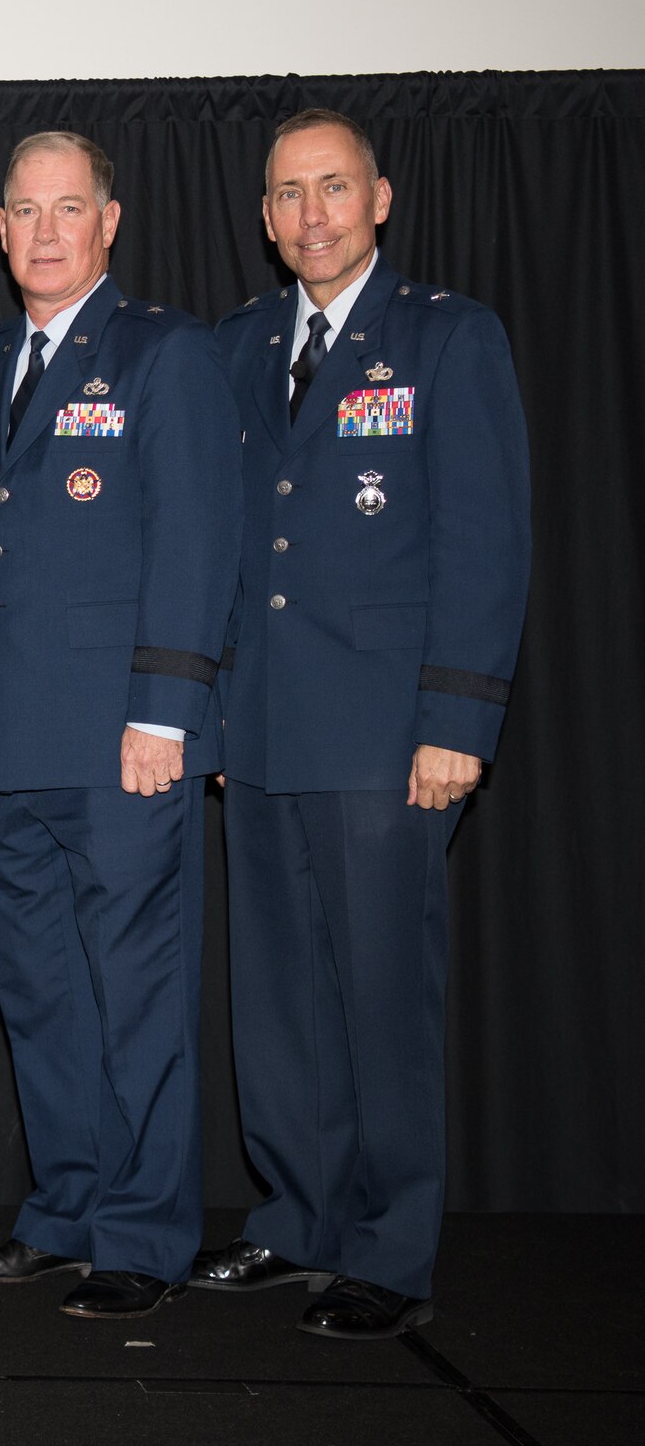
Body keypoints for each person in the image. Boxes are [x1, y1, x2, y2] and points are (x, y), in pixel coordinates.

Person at [195, 109, 530, 1340]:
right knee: (277, 994)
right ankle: (295, 1215)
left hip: (390, 733)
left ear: (377, 199)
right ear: (267, 216)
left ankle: (389, 1246)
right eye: (287, 194)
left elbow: (484, 545)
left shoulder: (445, 337)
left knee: (383, 994)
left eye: (332, 188)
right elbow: (221, 543)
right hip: (264, 724)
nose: (311, 214)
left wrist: (456, 717)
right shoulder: (234, 347)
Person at [0, 131, 241, 1320]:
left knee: (135, 995)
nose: (46, 231)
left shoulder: (166, 354)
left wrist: (165, 711)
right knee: (40, 992)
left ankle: (143, 1232)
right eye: (24, 210)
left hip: (124, 740)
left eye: (69, 208)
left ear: (107, 222)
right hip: (4, 740)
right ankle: (62, 1209)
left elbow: (195, 537)